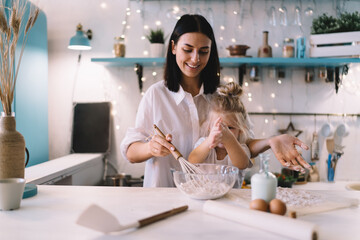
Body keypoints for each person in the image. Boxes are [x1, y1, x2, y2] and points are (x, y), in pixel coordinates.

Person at [121, 14, 310, 188]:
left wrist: (272, 140)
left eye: (203, 51)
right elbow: (130, 152)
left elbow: (244, 145)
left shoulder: (223, 95)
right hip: (164, 197)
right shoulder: (156, 95)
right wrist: (150, 148)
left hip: (212, 199)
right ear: (173, 47)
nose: (195, 59)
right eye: (188, 49)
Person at [188, 82, 252, 188]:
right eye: (217, 126)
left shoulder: (241, 148)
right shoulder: (204, 143)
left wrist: (230, 140)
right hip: (204, 197)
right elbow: (192, 160)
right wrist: (209, 141)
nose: (223, 132)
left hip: (231, 200)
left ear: (241, 130)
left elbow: (242, 164)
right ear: (209, 127)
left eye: (230, 128)